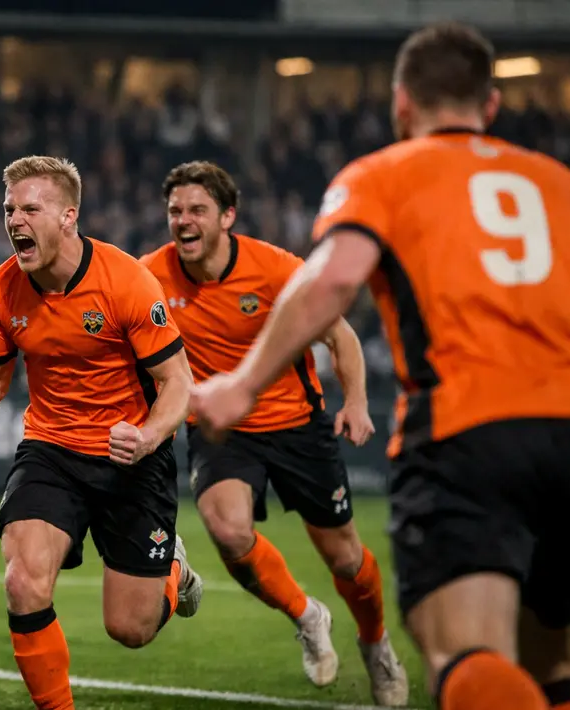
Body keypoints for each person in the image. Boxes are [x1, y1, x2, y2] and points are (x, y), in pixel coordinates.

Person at [190, 22, 570, 710]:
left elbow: (335, 278)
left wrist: (243, 384)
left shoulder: (383, 175)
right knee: (550, 661)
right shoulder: (554, 182)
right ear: (490, 105)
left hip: (467, 433)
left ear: (401, 104)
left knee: (467, 656)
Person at [0, 155, 203, 709]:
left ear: (68, 217)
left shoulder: (127, 281)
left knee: (130, 629)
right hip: (52, 450)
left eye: (29, 209)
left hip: (131, 456)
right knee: (22, 582)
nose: (15, 220)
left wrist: (149, 437)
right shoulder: (0, 290)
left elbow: (177, 382)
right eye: (9, 209)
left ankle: (173, 569)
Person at [141, 160, 409, 707]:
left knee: (346, 560)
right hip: (222, 429)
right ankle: (307, 617)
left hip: (297, 425)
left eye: (197, 210)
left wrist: (356, 402)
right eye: (175, 211)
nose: (183, 220)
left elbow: (341, 337)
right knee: (226, 528)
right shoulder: (149, 276)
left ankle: (376, 643)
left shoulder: (275, 268)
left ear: (227, 216)